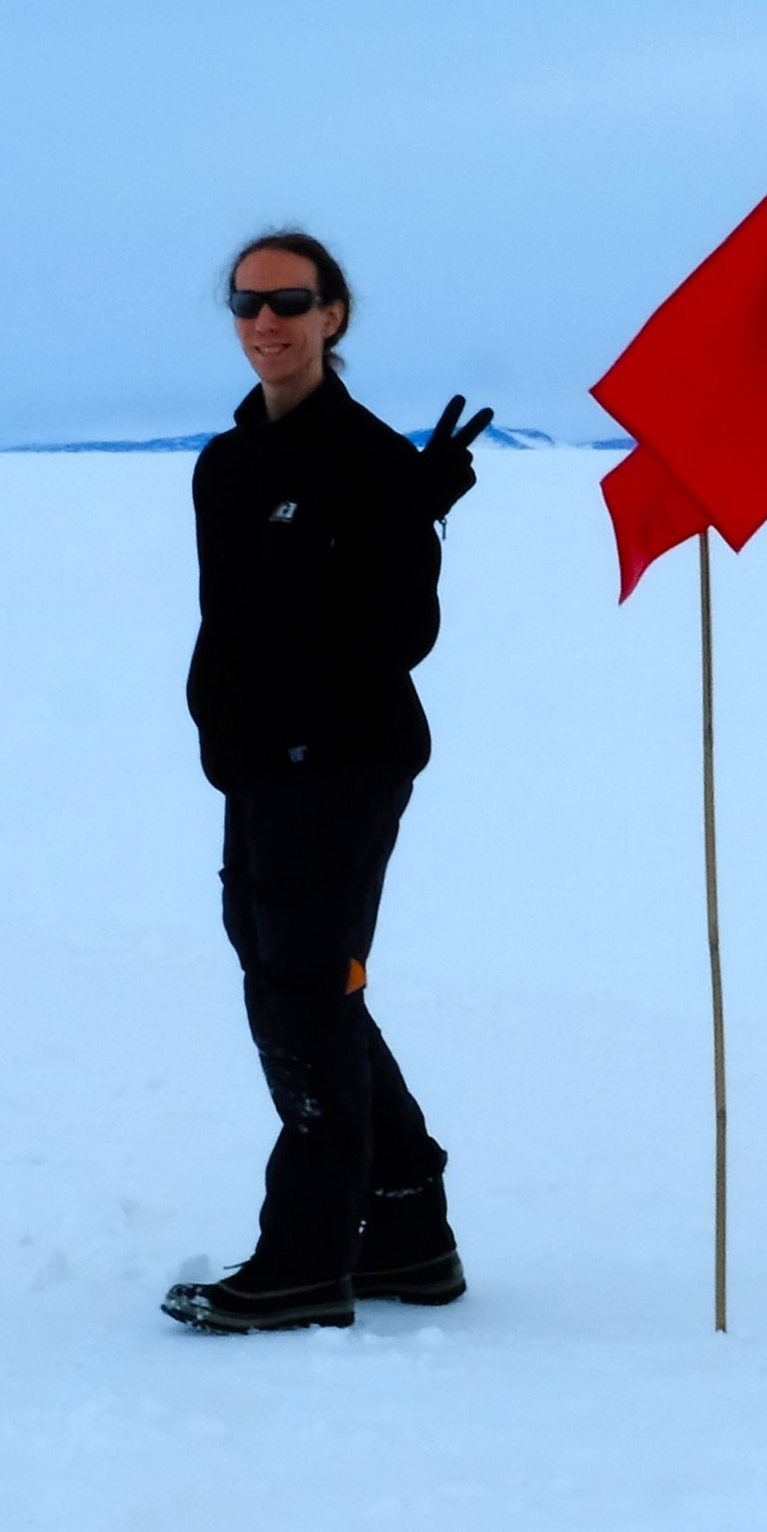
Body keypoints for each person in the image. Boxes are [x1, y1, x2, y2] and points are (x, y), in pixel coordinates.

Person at [163, 231, 490, 1333]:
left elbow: (401, 632)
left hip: (342, 766)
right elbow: (237, 622)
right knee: (296, 973)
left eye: (289, 302)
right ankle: (405, 1222)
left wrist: (402, 515)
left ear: (333, 316)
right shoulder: (226, 462)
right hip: (255, 767)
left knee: (298, 989)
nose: (266, 323)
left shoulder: (368, 465)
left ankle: (305, 1259)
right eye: (246, 304)